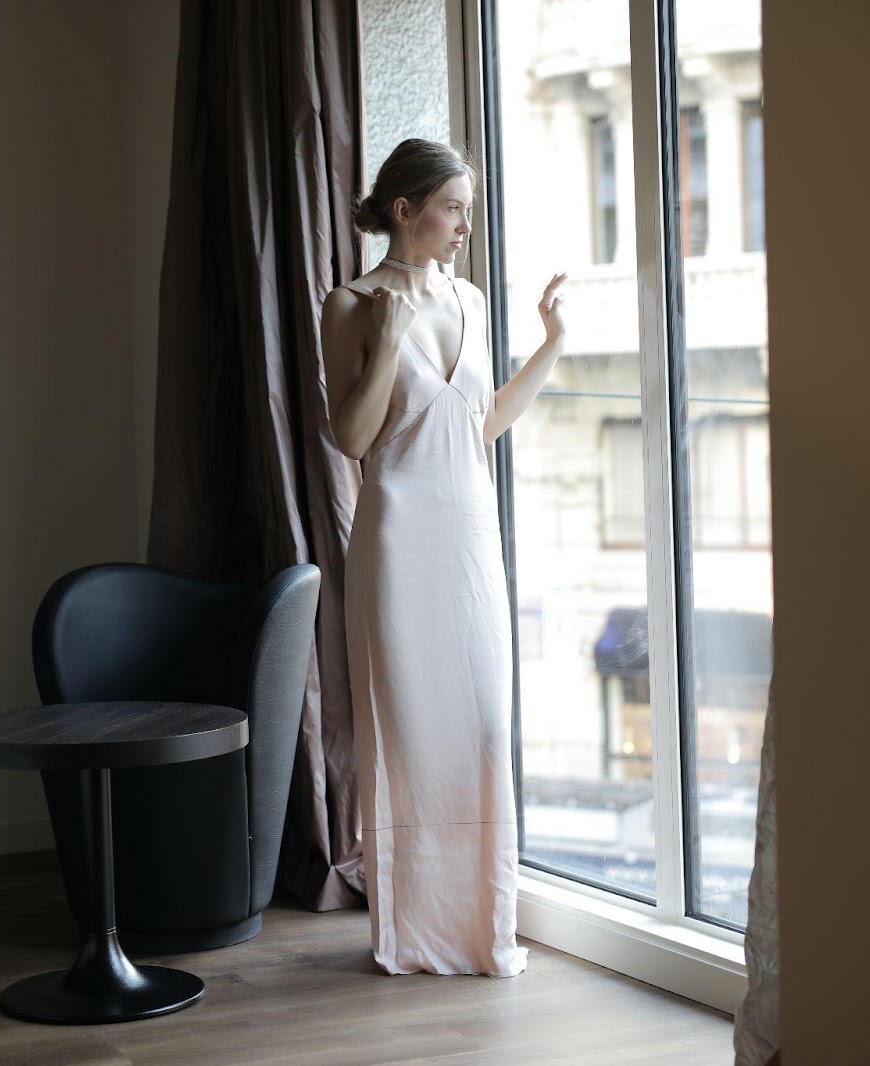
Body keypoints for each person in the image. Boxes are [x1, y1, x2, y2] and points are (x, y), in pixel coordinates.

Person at [320, 138, 566, 977]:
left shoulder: (472, 298)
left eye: (465, 208)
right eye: (453, 207)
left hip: (469, 536)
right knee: (412, 736)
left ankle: (478, 927)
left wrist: (552, 345)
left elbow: (480, 422)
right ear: (406, 210)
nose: (464, 224)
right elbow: (352, 441)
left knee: (482, 725)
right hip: (397, 539)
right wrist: (387, 342)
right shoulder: (350, 304)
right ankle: (415, 932)